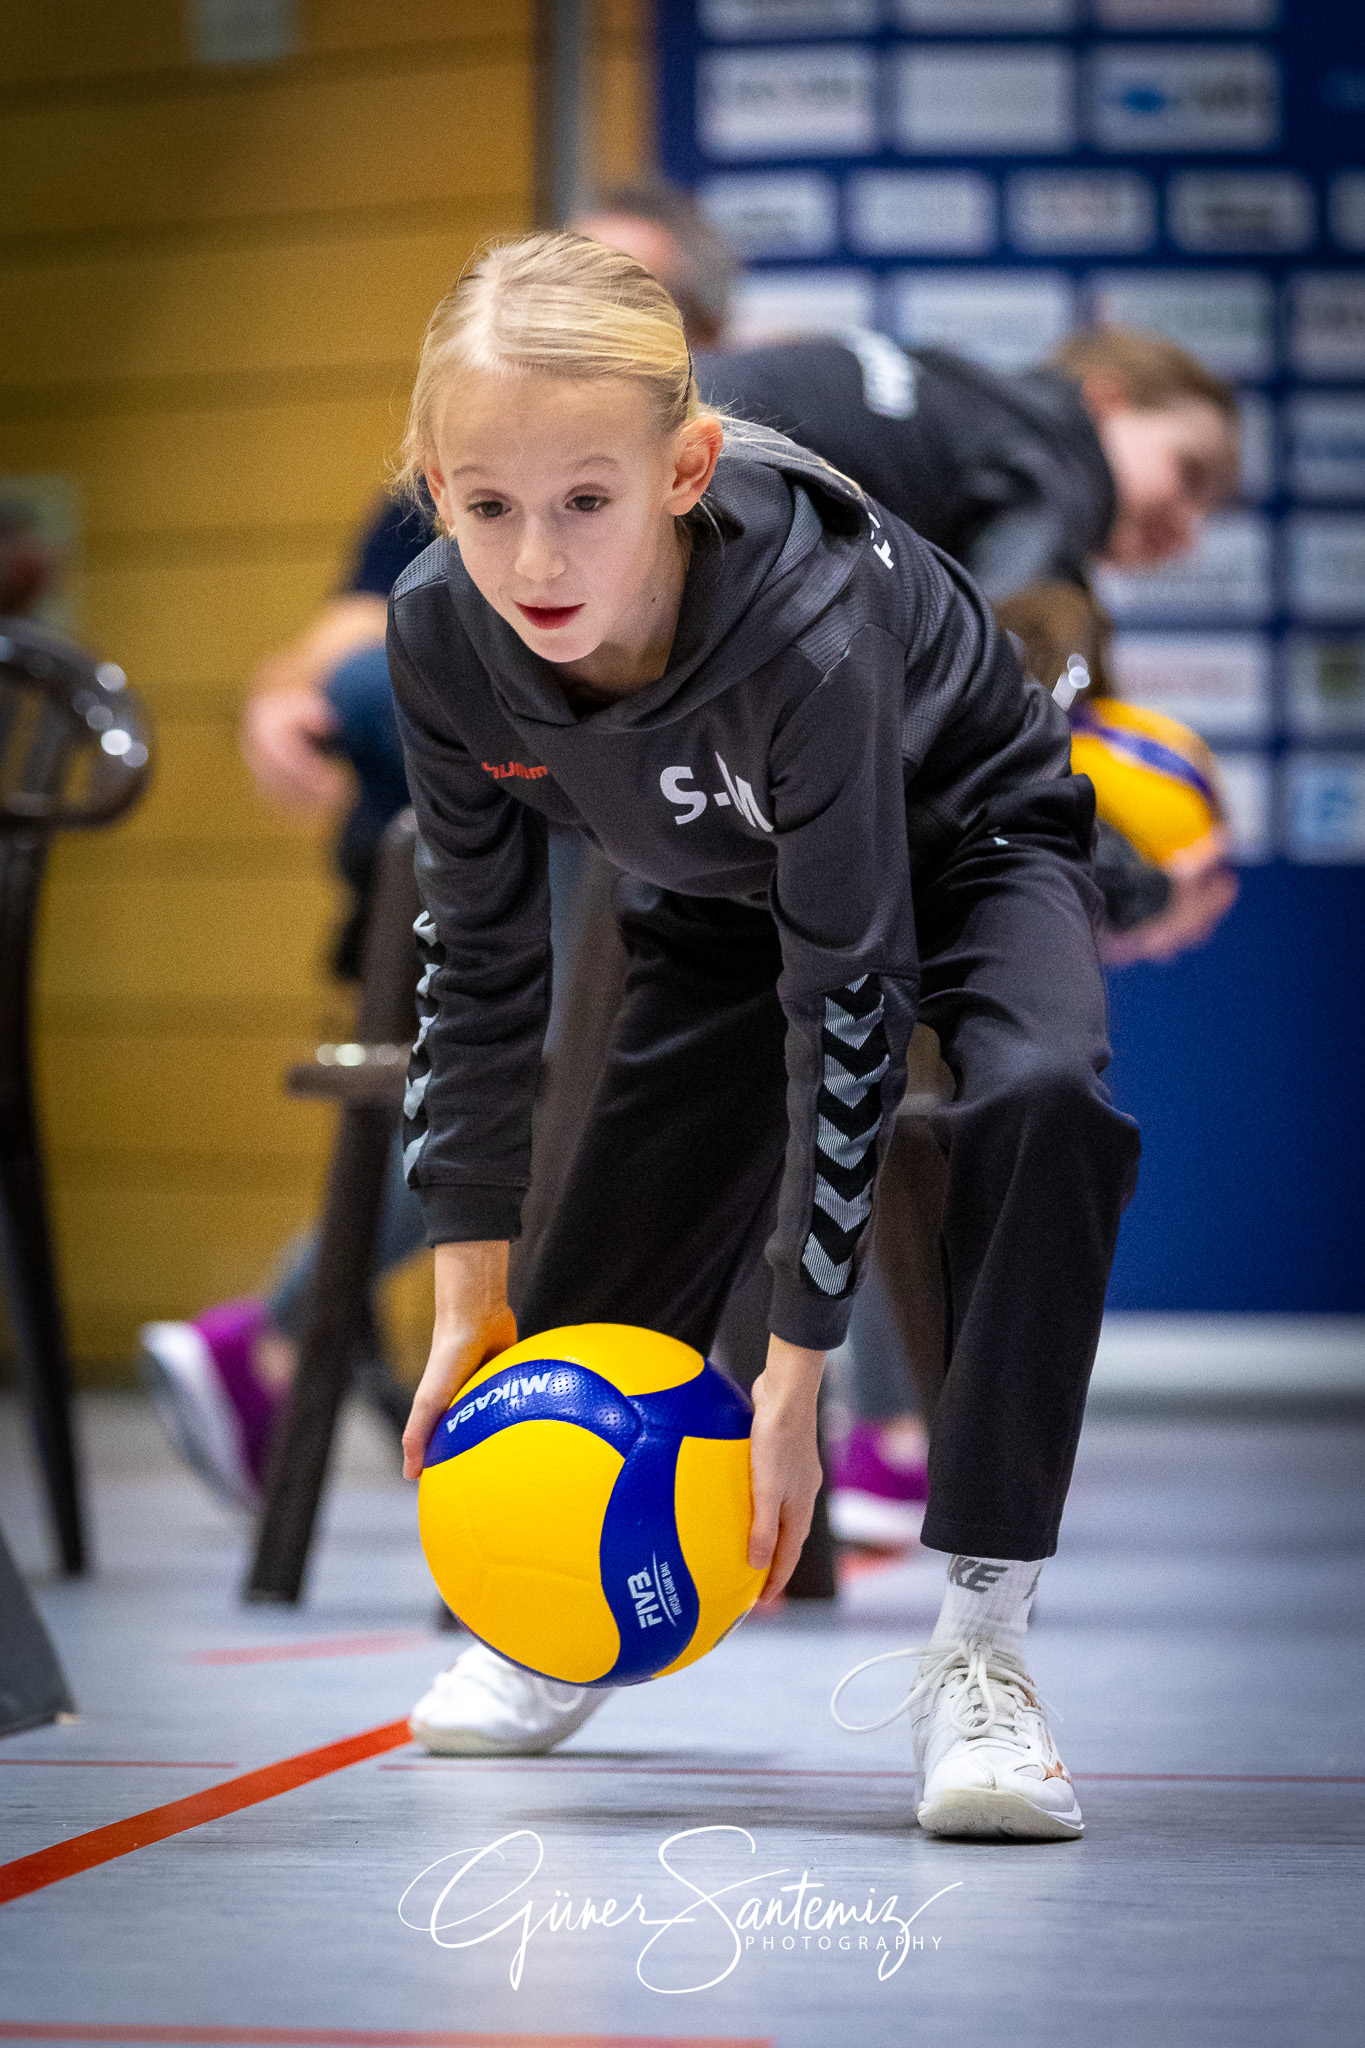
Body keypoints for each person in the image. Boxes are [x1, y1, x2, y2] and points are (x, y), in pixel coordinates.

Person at [390, 230, 1138, 1842]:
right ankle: (562, 1622)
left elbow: (851, 998)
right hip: (718, 891)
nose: (536, 560)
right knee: (588, 1285)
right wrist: (470, 1297)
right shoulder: (439, 633)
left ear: (685, 465)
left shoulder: (800, 621)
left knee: (1039, 1102)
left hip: (970, 840)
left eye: (586, 499)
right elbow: (480, 963)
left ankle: (984, 1649)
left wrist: (792, 1377)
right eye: (486, 504)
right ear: (433, 487)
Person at [137, 185, 738, 1507]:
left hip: (635, 844)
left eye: (612, 292)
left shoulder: (735, 489)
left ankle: (286, 1340)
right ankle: (290, 1340)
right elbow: (351, 634)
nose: (566, 315)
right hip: (479, 853)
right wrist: (285, 694)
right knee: (555, 1054)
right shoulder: (497, 430)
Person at [696, 323, 1243, 1542]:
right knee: (861, 1035)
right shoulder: (1052, 467)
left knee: (764, 1040)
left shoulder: (954, 412)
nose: (1189, 526)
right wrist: (1137, 887)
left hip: (637, 680)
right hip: (690, 684)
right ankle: (873, 1443)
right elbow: (980, 739)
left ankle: (843, 1436)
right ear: (1106, 398)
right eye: (1188, 472)